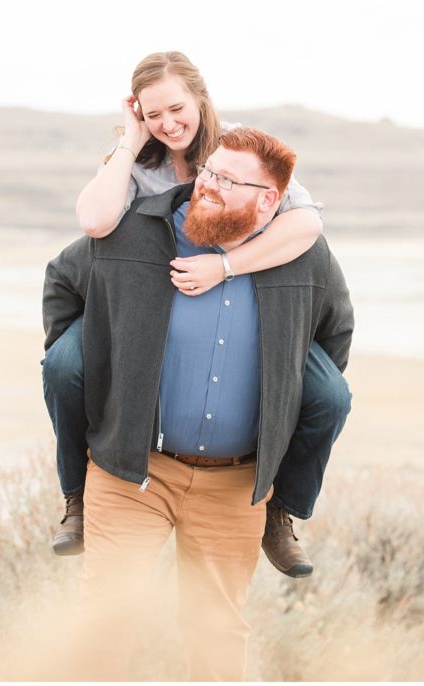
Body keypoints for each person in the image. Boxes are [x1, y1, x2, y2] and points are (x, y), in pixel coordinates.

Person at [43, 127, 353, 680]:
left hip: (235, 487)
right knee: (105, 623)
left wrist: (282, 402)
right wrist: (93, 365)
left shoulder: (304, 255)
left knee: (217, 637)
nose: (207, 186)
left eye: (227, 181)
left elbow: (333, 331)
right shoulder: (137, 230)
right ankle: (75, 500)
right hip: (131, 473)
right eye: (209, 171)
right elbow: (64, 280)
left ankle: (283, 517)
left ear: (269, 200)